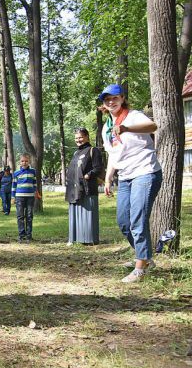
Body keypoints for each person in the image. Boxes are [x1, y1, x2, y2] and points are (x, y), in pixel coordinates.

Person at [99, 84, 162, 283]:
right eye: (107, 99)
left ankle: (140, 267)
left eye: (115, 98)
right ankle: (144, 256)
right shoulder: (107, 127)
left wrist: (126, 127)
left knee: (137, 219)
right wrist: (108, 178)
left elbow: (153, 127)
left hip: (145, 172)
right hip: (125, 177)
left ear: (122, 98)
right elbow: (113, 155)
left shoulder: (133, 116)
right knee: (123, 222)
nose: (111, 101)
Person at [65, 128, 103, 245]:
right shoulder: (76, 153)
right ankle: (75, 238)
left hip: (88, 189)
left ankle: (89, 239)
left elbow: (98, 168)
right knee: (75, 213)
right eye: (76, 138)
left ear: (87, 136)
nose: (78, 140)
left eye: (80, 137)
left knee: (88, 215)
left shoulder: (93, 150)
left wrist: (88, 175)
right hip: (74, 189)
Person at [12, 154, 36, 241]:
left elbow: (34, 183)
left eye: (26, 161)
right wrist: (12, 197)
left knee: (29, 216)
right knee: (20, 216)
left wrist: (36, 192)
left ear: (29, 161)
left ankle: (29, 235)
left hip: (30, 197)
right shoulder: (16, 173)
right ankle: (22, 235)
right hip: (19, 197)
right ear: (20, 162)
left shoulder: (33, 171)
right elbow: (14, 186)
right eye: (22, 161)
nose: (24, 163)